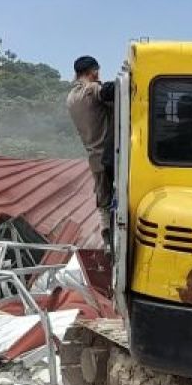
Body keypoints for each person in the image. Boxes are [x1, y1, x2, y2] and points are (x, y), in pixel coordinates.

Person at [66, 55, 116, 247]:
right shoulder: (92, 89)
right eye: (97, 71)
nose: (98, 75)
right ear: (92, 72)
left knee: (103, 199)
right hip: (110, 155)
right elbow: (111, 90)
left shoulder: (70, 98)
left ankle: (106, 235)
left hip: (94, 158)